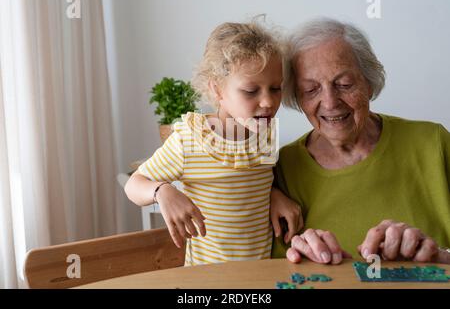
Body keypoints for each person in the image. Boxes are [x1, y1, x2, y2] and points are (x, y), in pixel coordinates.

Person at [271, 18, 450, 265]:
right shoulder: (284, 168)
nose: (330, 102)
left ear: (368, 81)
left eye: (344, 84)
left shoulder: (434, 144)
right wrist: (301, 260)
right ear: (297, 97)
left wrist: (440, 257)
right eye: (311, 89)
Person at [125, 20, 302, 266]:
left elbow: (251, 183)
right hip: (206, 279)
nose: (268, 102)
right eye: (251, 91)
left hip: (259, 275)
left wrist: (273, 194)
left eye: (275, 88)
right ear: (217, 90)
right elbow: (133, 185)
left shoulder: (265, 132)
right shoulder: (190, 139)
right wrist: (161, 191)